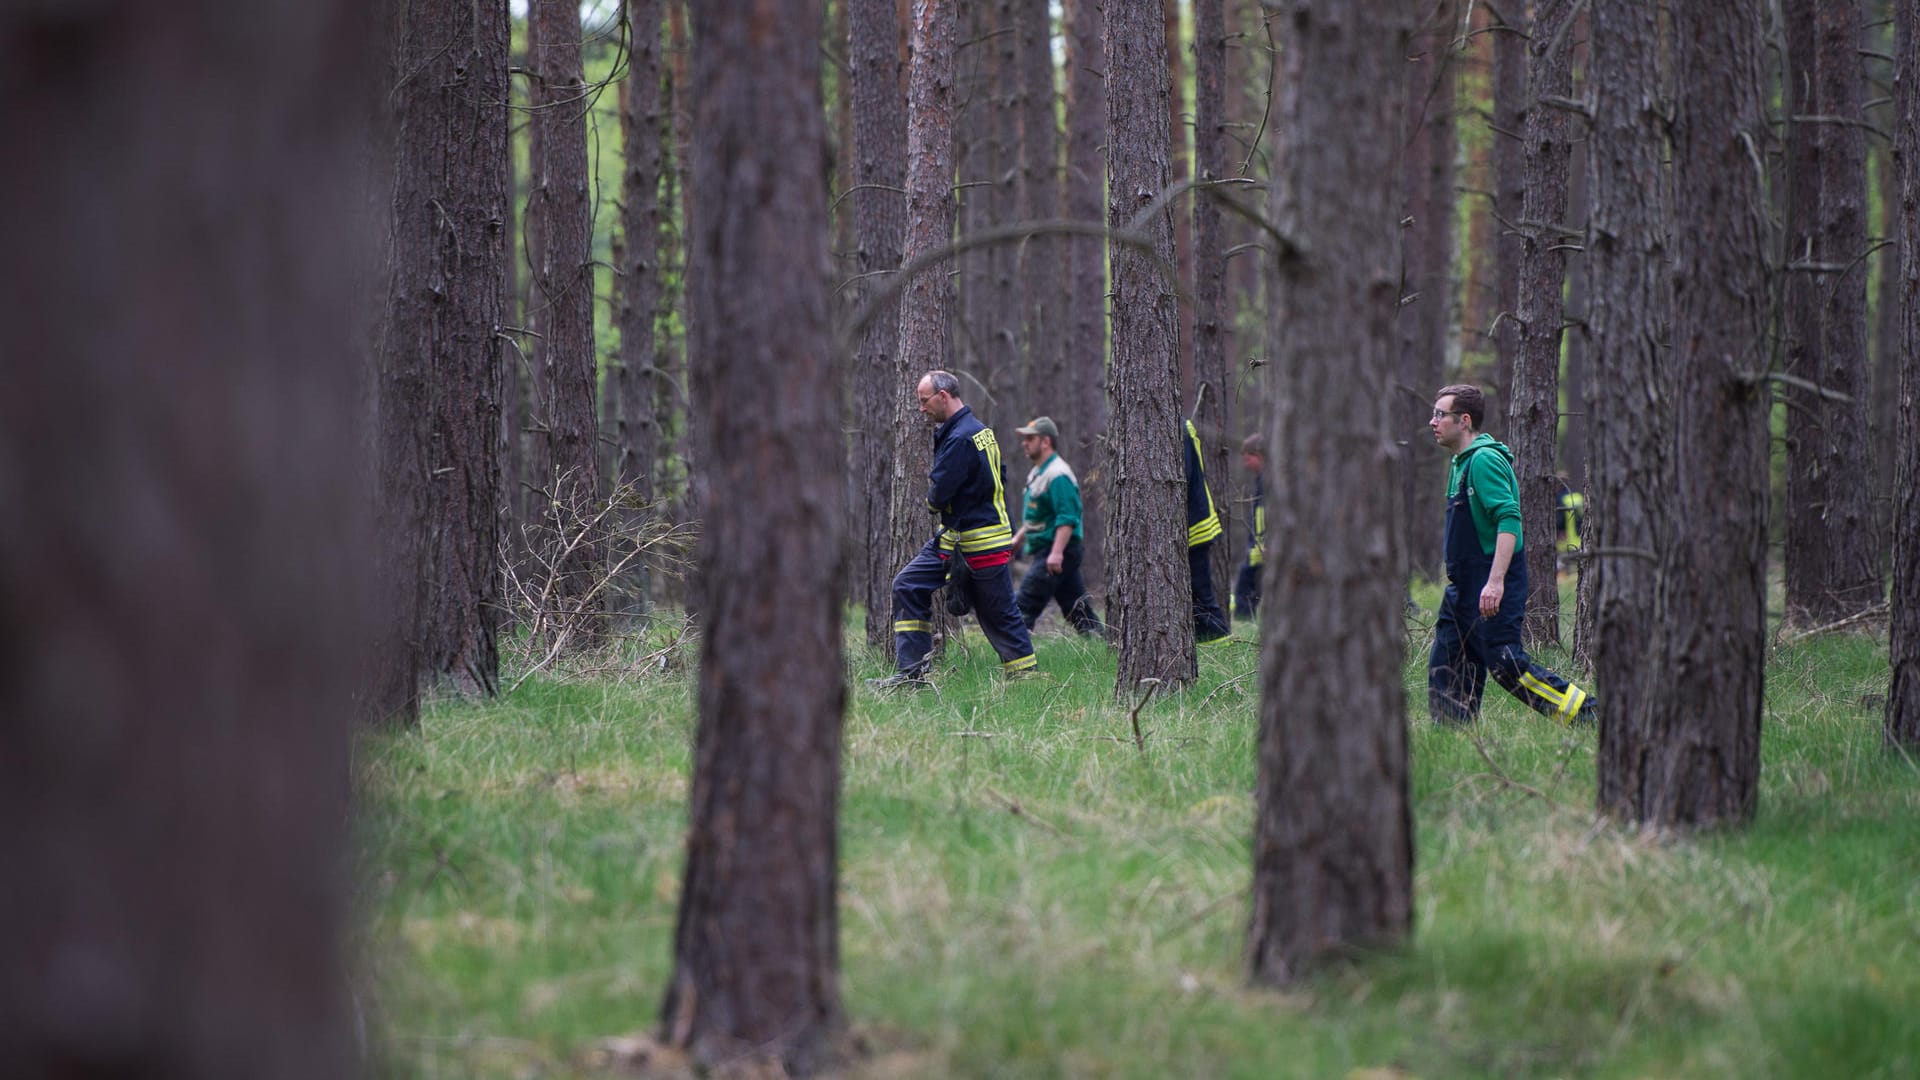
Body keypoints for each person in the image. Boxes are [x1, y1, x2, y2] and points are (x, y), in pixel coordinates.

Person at [1426, 384, 1597, 725]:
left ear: (1464, 420)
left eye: (1440, 414)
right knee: (1449, 658)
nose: (1433, 421)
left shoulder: (1484, 460)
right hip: (1463, 587)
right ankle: (1453, 734)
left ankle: (1585, 713)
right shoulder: (1460, 463)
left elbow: (1509, 521)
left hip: (1490, 583)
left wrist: (1494, 583)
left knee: (1506, 664)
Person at [869, 371, 1037, 689]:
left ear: (943, 396)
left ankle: (1028, 680)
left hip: (978, 544)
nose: (921, 409)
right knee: (908, 585)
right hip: (961, 540)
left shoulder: (960, 439)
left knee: (999, 614)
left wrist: (934, 501)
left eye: (924, 401)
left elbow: (937, 496)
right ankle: (912, 674)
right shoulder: (980, 431)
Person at [1010, 416, 1105, 636]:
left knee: (1022, 607)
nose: (1024, 443)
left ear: (1045, 442)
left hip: (1056, 550)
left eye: (1030, 438)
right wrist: (1019, 539)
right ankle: (1101, 644)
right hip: (1055, 550)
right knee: (1077, 609)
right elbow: (1041, 515)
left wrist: (1056, 553)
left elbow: (1067, 517)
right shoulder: (1038, 472)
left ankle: (1017, 658)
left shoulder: (1058, 475)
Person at [1184, 418, 1231, 643]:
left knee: (1202, 601)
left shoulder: (1178, 428)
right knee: (1197, 599)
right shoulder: (1183, 425)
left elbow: (1182, 475)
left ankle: (1221, 643)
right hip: (1196, 523)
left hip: (1195, 527)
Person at [1232, 432, 1266, 622]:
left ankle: (1244, 622)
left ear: (1259, 455)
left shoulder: (1270, 481)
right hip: (1257, 548)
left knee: (1245, 588)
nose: (1246, 464)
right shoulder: (1261, 480)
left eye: (1248, 459)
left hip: (1262, 549)